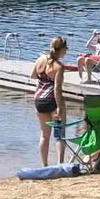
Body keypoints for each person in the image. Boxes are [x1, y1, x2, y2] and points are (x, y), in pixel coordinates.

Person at [30, 37, 68, 165]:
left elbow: (33, 76)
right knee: (59, 135)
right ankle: (60, 164)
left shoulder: (40, 59)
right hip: (52, 101)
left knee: (44, 135)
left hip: (39, 100)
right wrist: (60, 107)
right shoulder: (59, 66)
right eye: (66, 48)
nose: (67, 50)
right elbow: (57, 89)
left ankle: (44, 164)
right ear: (61, 49)